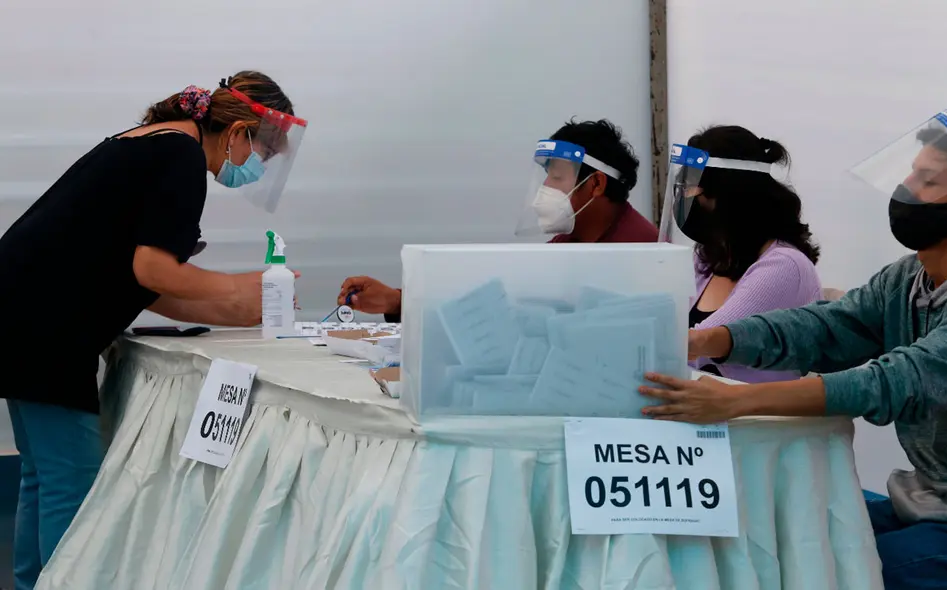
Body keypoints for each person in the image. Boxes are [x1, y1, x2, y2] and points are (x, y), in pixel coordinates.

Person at [640, 110, 947, 589]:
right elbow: (827, 327)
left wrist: (737, 400)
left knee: (834, 569)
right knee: (787, 536)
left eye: (926, 180)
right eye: (910, 172)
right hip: (931, 501)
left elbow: (899, 380)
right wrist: (713, 338)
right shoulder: (906, 279)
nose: (905, 188)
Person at [0, 71, 306, 589]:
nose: (256, 169)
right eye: (263, 154)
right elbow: (154, 271)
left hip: (21, 314)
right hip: (45, 330)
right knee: (72, 480)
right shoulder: (180, 157)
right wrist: (240, 288)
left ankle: (35, 583)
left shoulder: (154, 142)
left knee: (43, 474)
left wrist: (235, 312)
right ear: (238, 133)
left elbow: (136, 279)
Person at [338, 118, 658, 320]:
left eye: (557, 177)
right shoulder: (571, 240)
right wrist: (398, 301)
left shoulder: (641, 252)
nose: (545, 189)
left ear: (596, 184)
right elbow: (504, 298)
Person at [664, 126, 822, 382]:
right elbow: (663, 319)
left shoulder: (784, 267)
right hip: (701, 410)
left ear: (727, 193)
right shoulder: (710, 258)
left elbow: (696, 346)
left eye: (690, 189)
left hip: (754, 419)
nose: (682, 200)